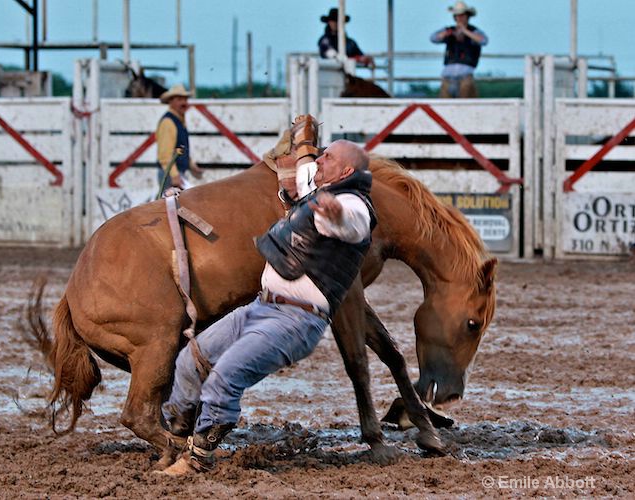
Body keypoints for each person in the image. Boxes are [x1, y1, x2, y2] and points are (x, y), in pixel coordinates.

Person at [158, 124, 380, 476]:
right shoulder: (318, 186)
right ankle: (176, 440)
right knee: (190, 359)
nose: (320, 159)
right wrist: (304, 142)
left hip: (296, 320)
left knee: (224, 378)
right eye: (321, 154)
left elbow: (351, 224)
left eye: (329, 156)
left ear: (347, 171)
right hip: (263, 307)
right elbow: (308, 167)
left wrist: (334, 211)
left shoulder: (353, 205)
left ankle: (198, 460)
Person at [430, 1, 488, 98]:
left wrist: (465, 31)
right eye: (457, 15)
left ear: (467, 16)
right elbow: (433, 38)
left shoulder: (474, 31)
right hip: (448, 78)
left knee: (465, 104)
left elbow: (483, 40)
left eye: (462, 15)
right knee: (444, 106)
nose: (459, 18)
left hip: (465, 77)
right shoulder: (449, 30)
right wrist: (447, 33)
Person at [155, 84, 203, 191]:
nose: (184, 103)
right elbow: (165, 155)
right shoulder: (168, 122)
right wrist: (174, 174)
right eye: (179, 99)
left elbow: (179, 149)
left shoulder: (178, 121)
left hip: (175, 173)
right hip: (170, 174)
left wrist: (191, 165)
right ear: (171, 102)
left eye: (185, 99)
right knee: (173, 205)